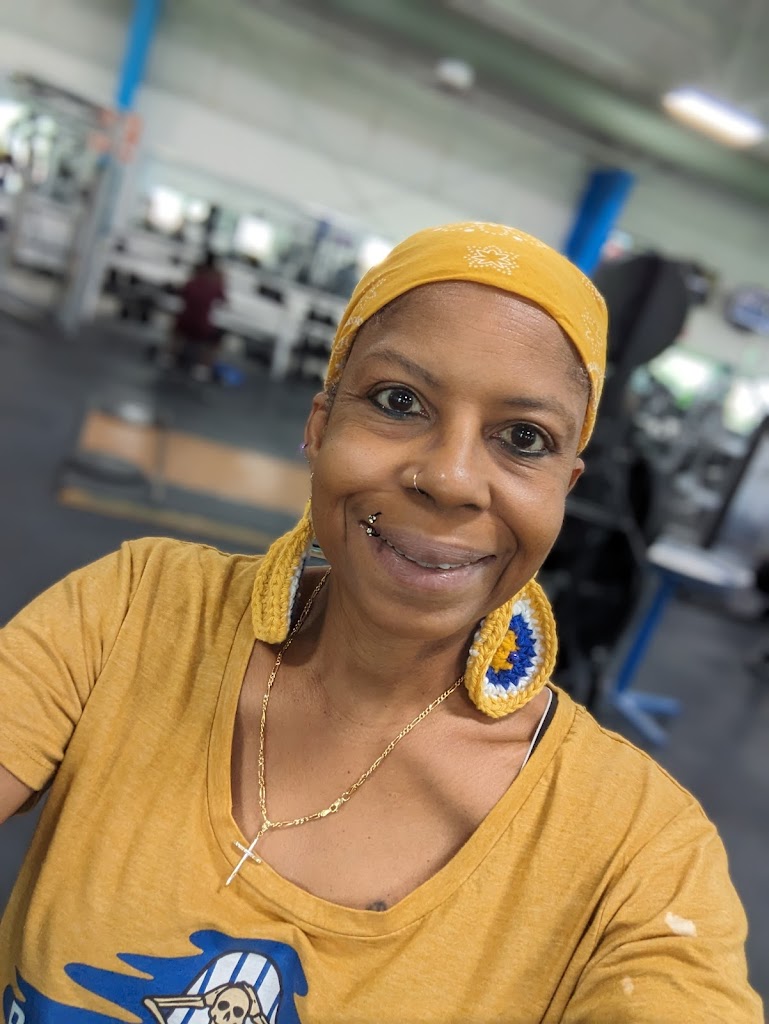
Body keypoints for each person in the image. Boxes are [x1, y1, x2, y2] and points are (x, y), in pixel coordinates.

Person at [0, 222, 762, 1023]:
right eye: (399, 402)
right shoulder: (137, 613)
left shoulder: (634, 851)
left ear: (563, 488)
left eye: (522, 438)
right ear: (320, 425)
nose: (450, 479)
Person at [168, 249, 227, 377]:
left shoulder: (194, 278)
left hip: (184, 322)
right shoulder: (216, 281)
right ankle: (202, 367)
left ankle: (170, 356)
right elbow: (223, 300)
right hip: (202, 327)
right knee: (217, 338)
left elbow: (183, 292)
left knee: (176, 324)